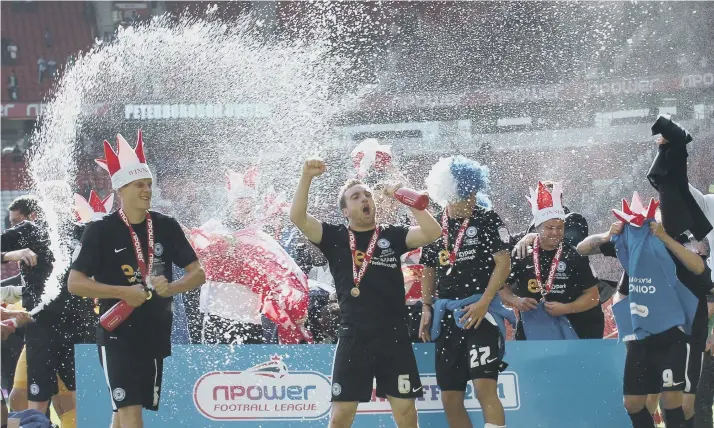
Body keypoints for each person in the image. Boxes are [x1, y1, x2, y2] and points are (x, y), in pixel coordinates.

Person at [68, 130, 206, 428]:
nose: (147, 190)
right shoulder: (101, 229)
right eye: (139, 184)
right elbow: (75, 282)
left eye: (149, 184)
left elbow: (198, 273)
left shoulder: (166, 226)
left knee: (124, 412)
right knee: (130, 412)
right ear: (121, 189)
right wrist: (122, 291)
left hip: (155, 332)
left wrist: (173, 286)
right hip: (117, 332)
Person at [290, 157, 441, 428]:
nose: (364, 199)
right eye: (355, 197)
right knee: (340, 418)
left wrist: (403, 196)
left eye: (367, 194)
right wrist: (306, 178)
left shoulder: (392, 235)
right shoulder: (334, 237)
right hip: (354, 337)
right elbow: (298, 218)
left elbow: (433, 231)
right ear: (346, 211)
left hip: (393, 336)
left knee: (406, 414)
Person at [579, 212, 713, 428]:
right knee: (637, 402)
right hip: (643, 334)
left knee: (682, 402)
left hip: (683, 333)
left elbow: (701, 270)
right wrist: (607, 235)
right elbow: (582, 248)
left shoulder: (682, 243)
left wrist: (664, 238)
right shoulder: (636, 245)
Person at [419, 156, 513, 428]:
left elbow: (503, 263)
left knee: (485, 388)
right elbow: (427, 268)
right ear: (449, 194)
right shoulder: (435, 226)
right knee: (450, 397)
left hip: (479, 313)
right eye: (465, 193)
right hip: (448, 316)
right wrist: (426, 306)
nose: (472, 198)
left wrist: (485, 302)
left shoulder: (486, 218)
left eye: (474, 191)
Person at [0, 195, 83, 428]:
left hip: (66, 329)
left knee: (66, 400)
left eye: (17, 222)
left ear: (32, 217)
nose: (13, 228)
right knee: (21, 397)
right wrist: (10, 256)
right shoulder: (30, 245)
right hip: (37, 331)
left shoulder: (70, 234)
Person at [501, 181, 603, 340]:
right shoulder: (521, 252)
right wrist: (516, 301)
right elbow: (502, 288)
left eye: (559, 228)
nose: (555, 232)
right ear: (538, 226)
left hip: (576, 327)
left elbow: (593, 296)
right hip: (533, 329)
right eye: (549, 228)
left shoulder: (573, 226)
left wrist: (566, 308)